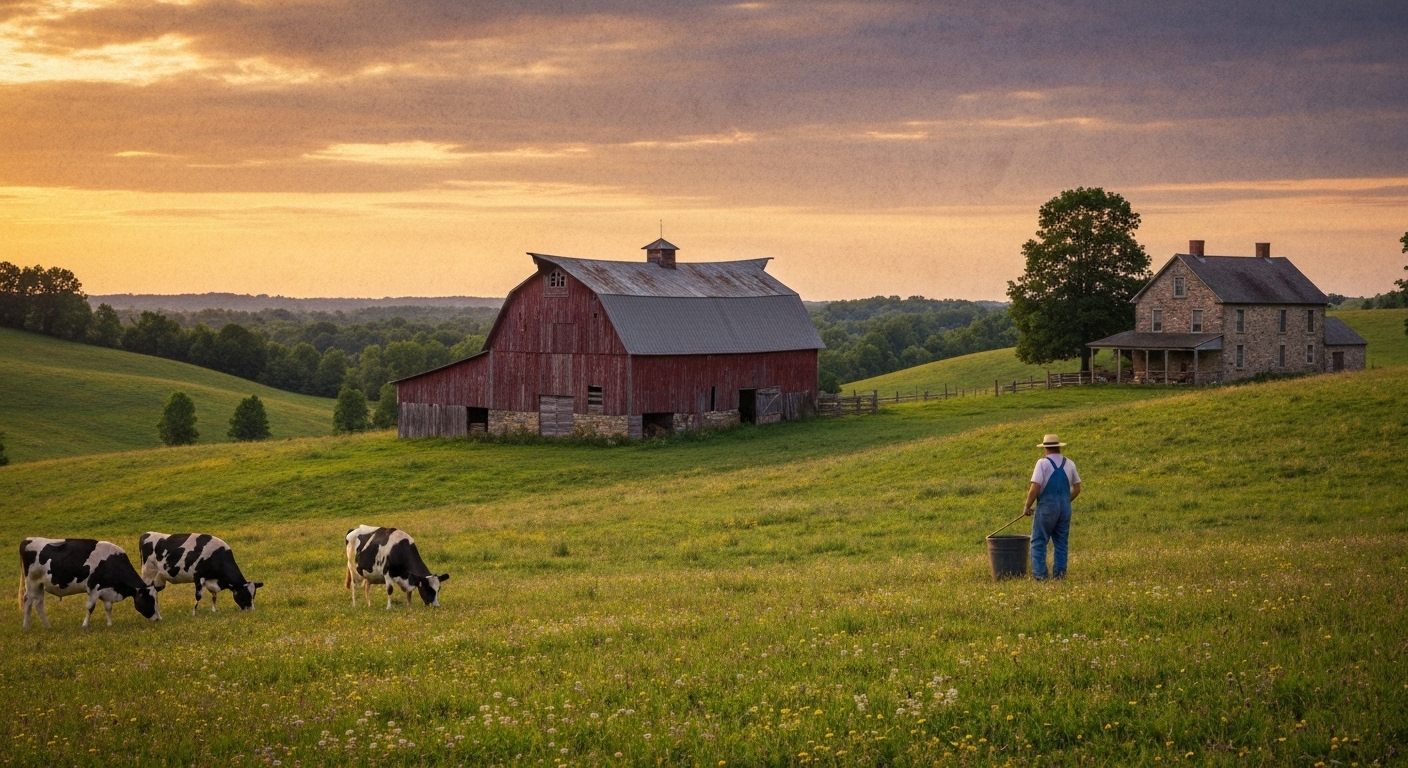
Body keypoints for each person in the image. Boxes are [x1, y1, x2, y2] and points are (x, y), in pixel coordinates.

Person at [1023, 433, 1081, 580]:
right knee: (1061, 543)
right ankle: (1060, 575)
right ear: (1058, 447)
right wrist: (1065, 501)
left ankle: (1040, 576)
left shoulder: (1042, 463)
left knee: (1038, 541)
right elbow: (1077, 488)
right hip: (1065, 509)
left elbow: (1035, 486)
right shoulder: (1069, 463)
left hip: (1047, 508)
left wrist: (1027, 505)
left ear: (1046, 448)